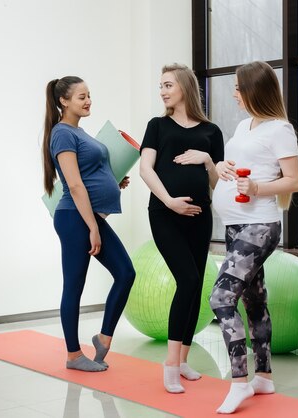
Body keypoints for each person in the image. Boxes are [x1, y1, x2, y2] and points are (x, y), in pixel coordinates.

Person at [209, 61, 298, 414]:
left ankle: (238, 383)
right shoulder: (243, 126)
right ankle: (263, 377)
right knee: (254, 302)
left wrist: (259, 187)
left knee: (220, 299)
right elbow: (233, 167)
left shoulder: (280, 129)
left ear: (254, 90)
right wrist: (221, 167)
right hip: (235, 225)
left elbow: (293, 180)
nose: (234, 93)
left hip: (259, 225)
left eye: (238, 87)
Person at [139, 63, 224, 393]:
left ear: (185, 87)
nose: (162, 91)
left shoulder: (211, 132)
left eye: (168, 85)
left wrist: (206, 160)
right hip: (165, 213)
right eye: (160, 85)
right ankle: (170, 365)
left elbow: (219, 183)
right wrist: (170, 200)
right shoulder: (157, 125)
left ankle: (184, 360)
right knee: (187, 280)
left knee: (195, 284)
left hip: (200, 216)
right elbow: (146, 169)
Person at [42, 76, 135, 372]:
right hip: (74, 219)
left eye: (89, 95)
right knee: (74, 286)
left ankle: (103, 338)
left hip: (87, 218)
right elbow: (75, 185)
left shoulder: (80, 133)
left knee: (126, 273)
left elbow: (89, 173)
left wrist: (113, 182)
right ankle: (72, 355)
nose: (88, 101)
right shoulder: (62, 134)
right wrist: (93, 228)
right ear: (63, 101)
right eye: (81, 96)